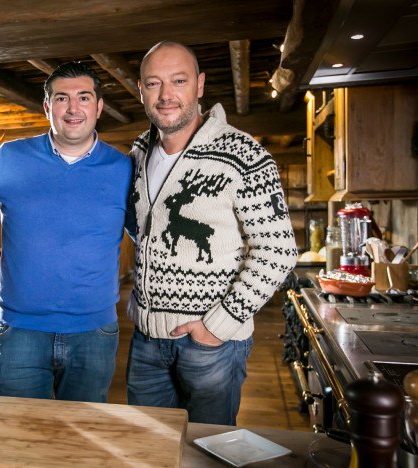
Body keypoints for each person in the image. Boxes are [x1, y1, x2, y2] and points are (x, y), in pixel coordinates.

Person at [125, 41, 298, 424]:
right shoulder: (139, 151)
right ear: (140, 90)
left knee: (208, 450)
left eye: (179, 81)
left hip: (209, 345)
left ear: (200, 85)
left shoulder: (244, 154)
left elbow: (278, 250)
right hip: (147, 341)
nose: (166, 95)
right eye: (153, 84)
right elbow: (143, 228)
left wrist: (218, 325)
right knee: (144, 451)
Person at [0, 62, 132, 402]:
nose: (73, 108)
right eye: (62, 98)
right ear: (47, 107)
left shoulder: (123, 169)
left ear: (99, 106)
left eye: (84, 97)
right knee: (15, 436)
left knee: (82, 442)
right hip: (21, 331)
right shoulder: (11, 158)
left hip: (95, 332)